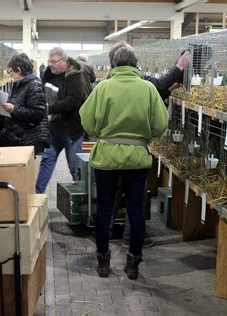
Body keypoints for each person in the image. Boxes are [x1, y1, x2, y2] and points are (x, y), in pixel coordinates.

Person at [79, 46, 169, 280]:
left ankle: (103, 261)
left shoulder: (103, 88)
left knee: (104, 209)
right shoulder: (148, 89)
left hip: (106, 156)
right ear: (136, 64)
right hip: (137, 158)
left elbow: (86, 120)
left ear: (113, 65)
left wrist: (102, 132)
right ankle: (133, 263)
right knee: (136, 211)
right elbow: (160, 124)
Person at [108, 41, 191, 249]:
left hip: (109, 152)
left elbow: (88, 121)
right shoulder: (139, 82)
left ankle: (107, 235)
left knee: (112, 195)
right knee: (136, 199)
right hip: (135, 152)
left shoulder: (105, 86)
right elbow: (157, 87)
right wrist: (179, 66)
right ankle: (132, 240)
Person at [35, 47, 88, 193]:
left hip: (72, 131)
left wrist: (49, 109)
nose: (50, 64)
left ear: (63, 61)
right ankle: (38, 196)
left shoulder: (75, 76)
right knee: (47, 161)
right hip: (54, 128)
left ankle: (81, 199)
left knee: (74, 167)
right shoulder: (48, 73)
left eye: (53, 61)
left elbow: (73, 101)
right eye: (49, 61)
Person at [0, 53, 49, 155]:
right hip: (16, 138)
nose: (10, 75)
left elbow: (37, 114)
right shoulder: (18, 85)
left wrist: (13, 109)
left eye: (11, 71)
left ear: (19, 70)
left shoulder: (34, 85)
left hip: (27, 141)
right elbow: (5, 111)